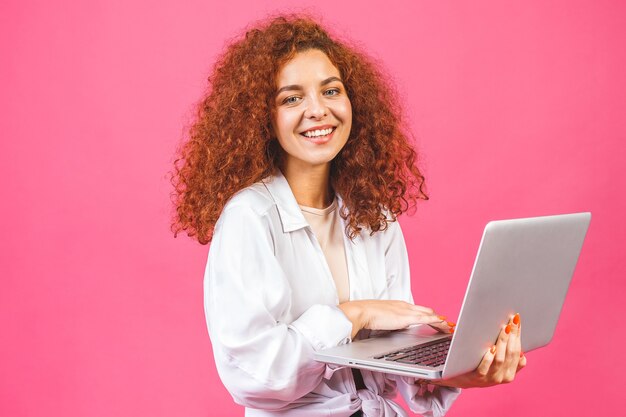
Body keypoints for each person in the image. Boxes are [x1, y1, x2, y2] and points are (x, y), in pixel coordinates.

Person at [171, 15, 527, 417]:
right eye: (292, 98)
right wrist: (352, 315)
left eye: (331, 90)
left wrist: (456, 372)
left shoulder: (374, 215)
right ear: (262, 119)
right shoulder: (249, 220)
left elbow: (390, 364)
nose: (318, 110)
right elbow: (258, 376)